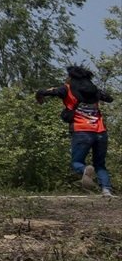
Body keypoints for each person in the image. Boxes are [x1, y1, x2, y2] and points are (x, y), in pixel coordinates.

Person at [36, 65, 112, 197]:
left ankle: (84, 170)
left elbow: (45, 91)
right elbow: (109, 98)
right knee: (100, 164)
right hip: (100, 132)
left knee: (76, 162)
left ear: (71, 77)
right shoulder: (94, 91)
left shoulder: (67, 88)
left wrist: (39, 96)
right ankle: (106, 190)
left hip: (82, 130)